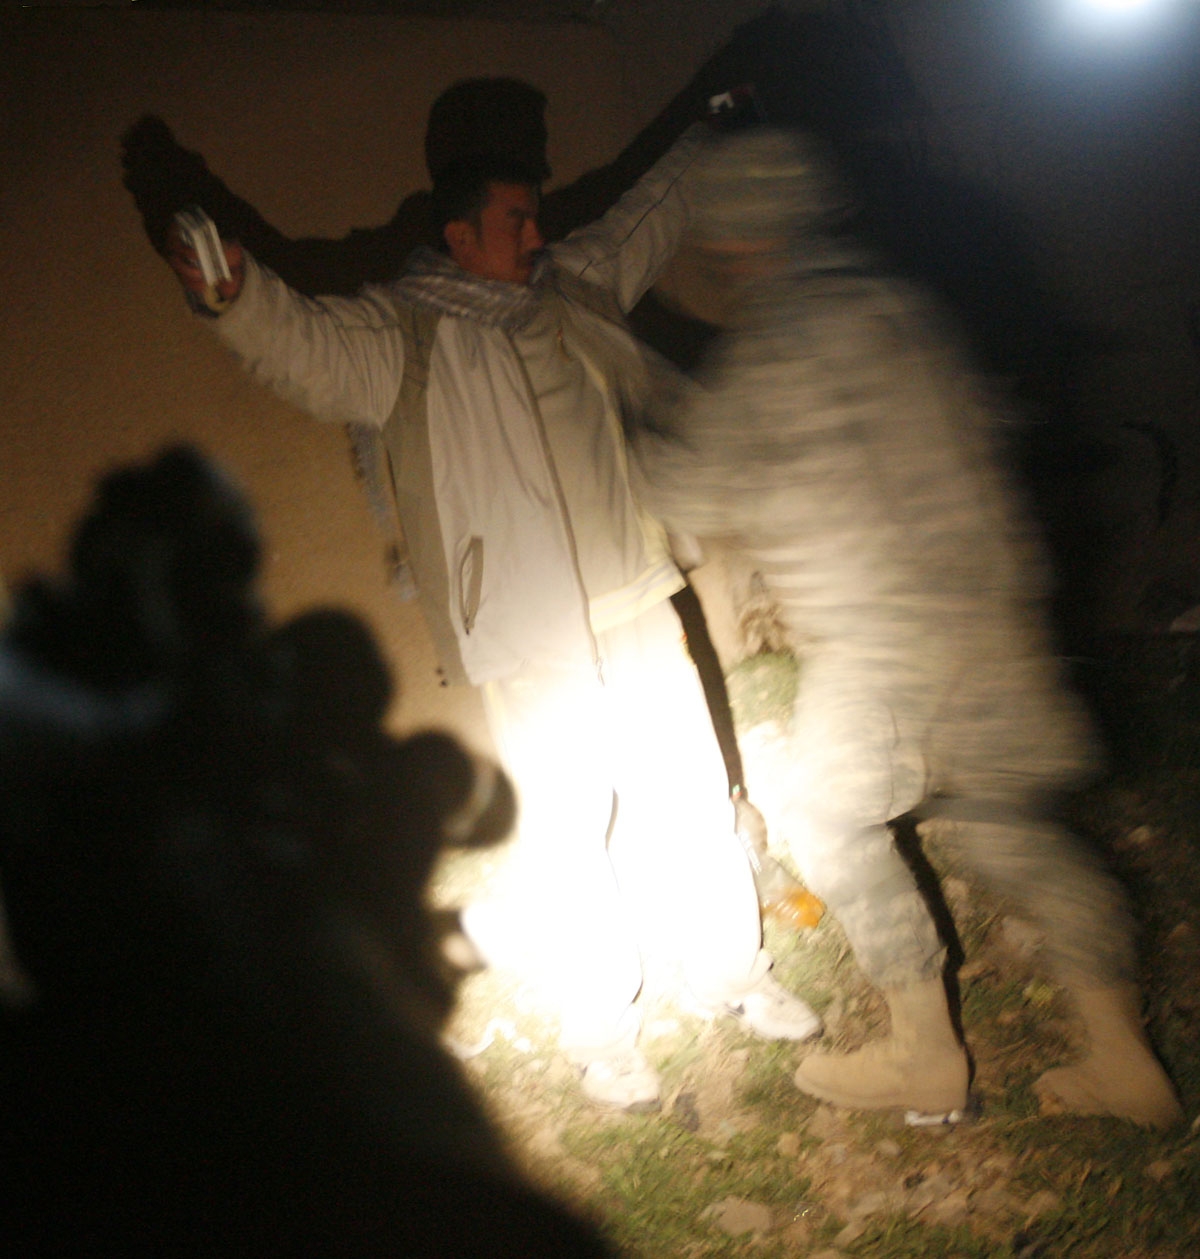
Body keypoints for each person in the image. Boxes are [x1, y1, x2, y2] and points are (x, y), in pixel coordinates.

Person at [159, 115, 822, 1113]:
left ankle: (735, 972)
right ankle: (603, 1031)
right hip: (523, 626)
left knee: (688, 793)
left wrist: (709, 135)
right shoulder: (405, 333)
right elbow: (300, 348)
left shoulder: (574, 289)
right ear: (461, 235)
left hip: (635, 596)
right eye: (517, 220)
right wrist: (233, 296)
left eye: (537, 218)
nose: (538, 236)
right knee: (566, 830)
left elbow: (647, 214)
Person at [630, 128, 1183, 1128]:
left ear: (738, 242)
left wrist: (633, 409)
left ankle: (925, 1056)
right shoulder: (908, 311)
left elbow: (690, 486)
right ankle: (1124, 1056)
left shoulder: (770, 353)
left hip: (886, 648)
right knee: (1014, 826)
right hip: (998, 620)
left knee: (829, 818)